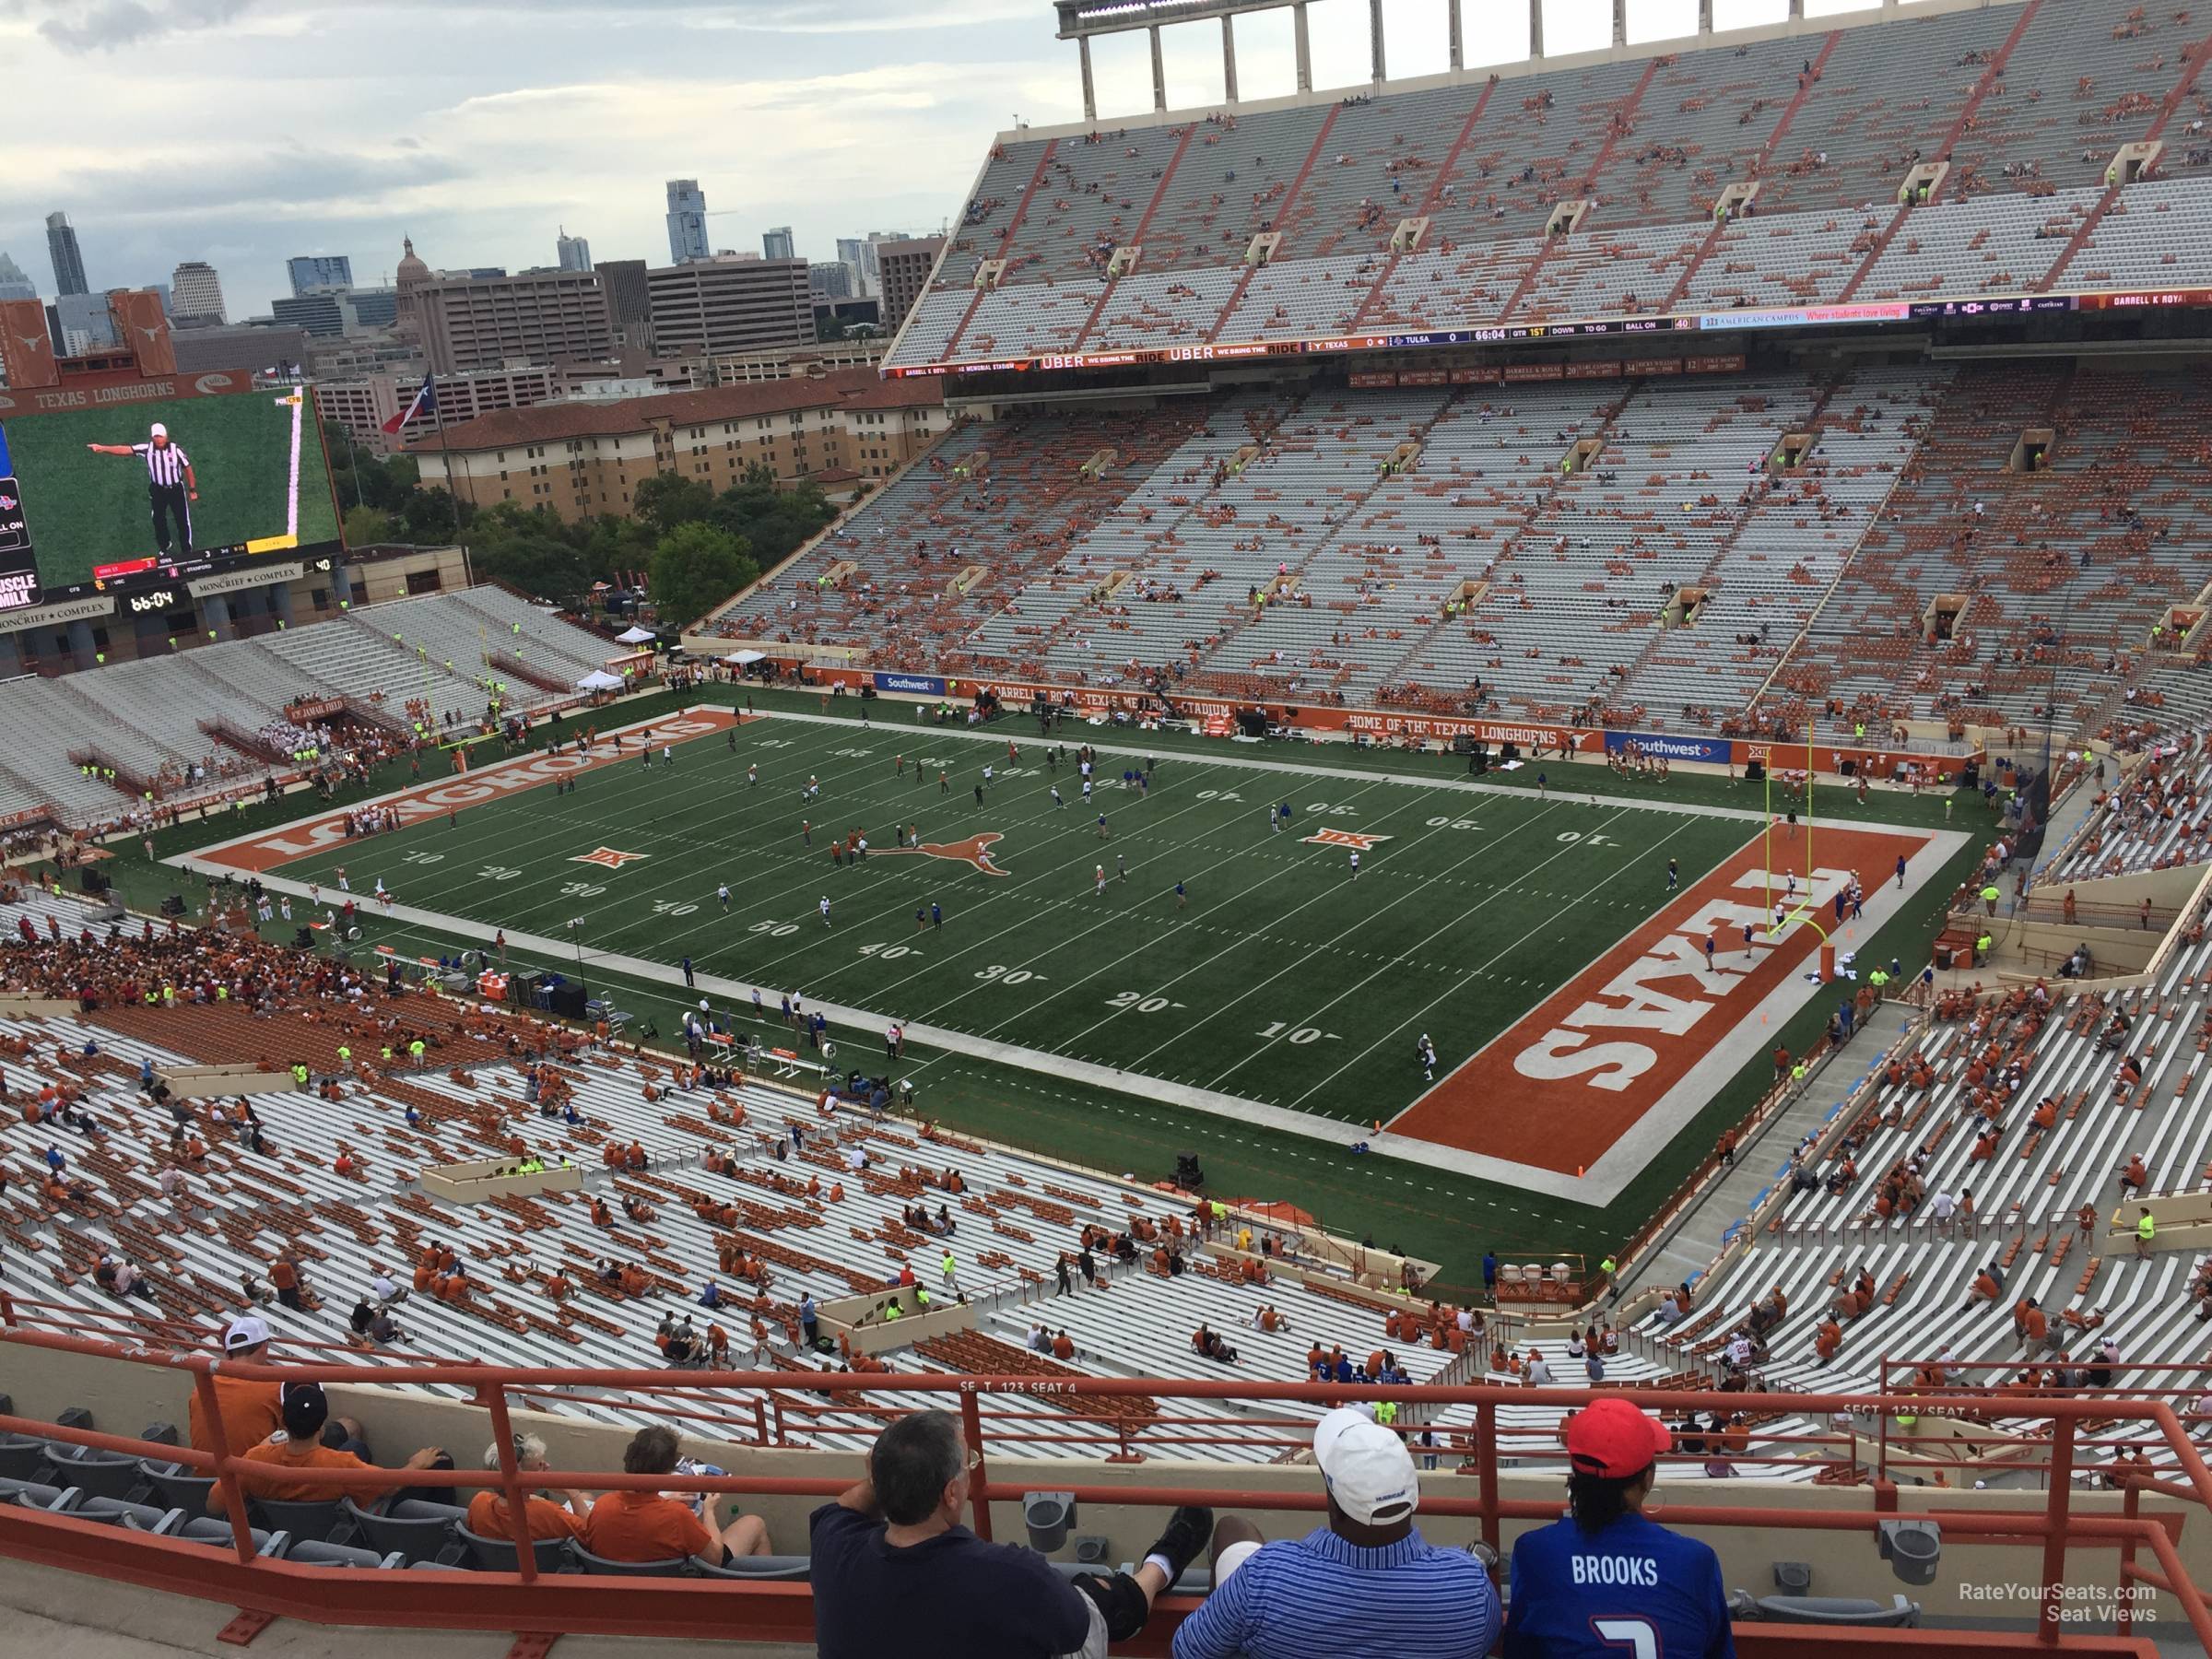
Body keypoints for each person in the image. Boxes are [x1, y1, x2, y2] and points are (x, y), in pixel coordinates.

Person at [811, 1408, 1210, 1659]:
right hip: (1058, 1612)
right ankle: (1162, 1563)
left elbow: (843, 1509)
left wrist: (888, 1472)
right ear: (952, 1493)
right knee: (1096, 1600)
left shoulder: (834, 1549)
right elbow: (1076, 1631)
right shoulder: (1008, 1573)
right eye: (968, 1464)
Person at [1172, 1406, 1499, 1658]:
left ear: (1332, 1502)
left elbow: (1187, 1649)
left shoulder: (1268, 1574)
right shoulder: (1468, 1584)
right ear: (1416, 1493)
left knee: (1233, 1528)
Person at [1503, 1396, 1733, 1657]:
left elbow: (1518, 1649)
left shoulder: (1534, 1551)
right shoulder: (1697, 1561)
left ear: (1575, 1471)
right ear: (1648, 1478)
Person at [207, 1382, 443, 1516]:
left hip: (280, 1538)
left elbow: (214, 1505)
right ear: (321, 1428)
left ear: (284, 1423)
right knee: (442, 1462)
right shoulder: (341, 1465)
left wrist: (256, 1453)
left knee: (355, 1446)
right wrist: (416, 1464)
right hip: (332, 1532)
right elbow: (390, 1487)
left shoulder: (256, 1460)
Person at [581, 1425, 772, 1567]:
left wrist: (662, 1502)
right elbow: (715, 1558)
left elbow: (636, 1520)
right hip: (680, 1597)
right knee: (755, 1524)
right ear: (668, 1470)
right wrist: (709, 1510)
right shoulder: (676, 1515)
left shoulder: (602, 1506)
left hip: (621, 1598)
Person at [87, 421, 199, 556]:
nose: (159, 439)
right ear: (152, 437)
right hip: (157, 490)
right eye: (156, 436)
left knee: (182, 519)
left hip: (176, 490)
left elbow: (188, 468)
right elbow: (125, 449)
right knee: (158, 519)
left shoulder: (176, 450)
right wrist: (103, 448)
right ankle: (164, 545)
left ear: (166, 436)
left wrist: (192, 489)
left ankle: (187, 550)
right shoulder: (147, 449)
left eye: (161, 436)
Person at [467, 1434, 591, 1541]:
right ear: (522, 1480)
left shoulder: (478, 1502)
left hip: (498, 1566)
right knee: (584, 1497)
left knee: (586, 1497)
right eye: (540, 1466)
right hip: (544, 1567)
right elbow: (589, 1534)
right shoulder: (549, 1513)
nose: (548, 1465)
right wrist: (572, 1492)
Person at [188, 1315, 283, 1453]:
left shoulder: (201, 1388)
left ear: (228, 1353)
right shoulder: (274, 1387)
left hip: (201, 1473)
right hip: (250, 1473)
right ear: (264, 1347)